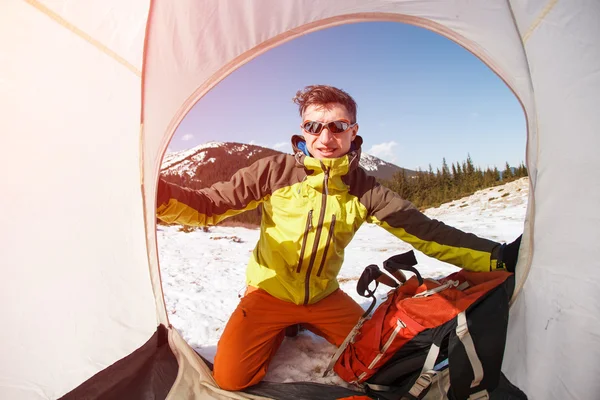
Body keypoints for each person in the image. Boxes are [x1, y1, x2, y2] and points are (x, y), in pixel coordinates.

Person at [156, 85, 522, 391]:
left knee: (379, 360)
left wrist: (496, 257)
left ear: (353, 130)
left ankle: (301, 321)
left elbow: (425, 232)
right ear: (303, 130)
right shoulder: (274, 172)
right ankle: (280, 325)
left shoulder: (364, 189)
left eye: (337, 126)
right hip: (268, 291)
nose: (325, 137)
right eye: (314, 126)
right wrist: (156, 196)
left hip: (323, 296)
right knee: (231, 379)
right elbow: (207, 205)